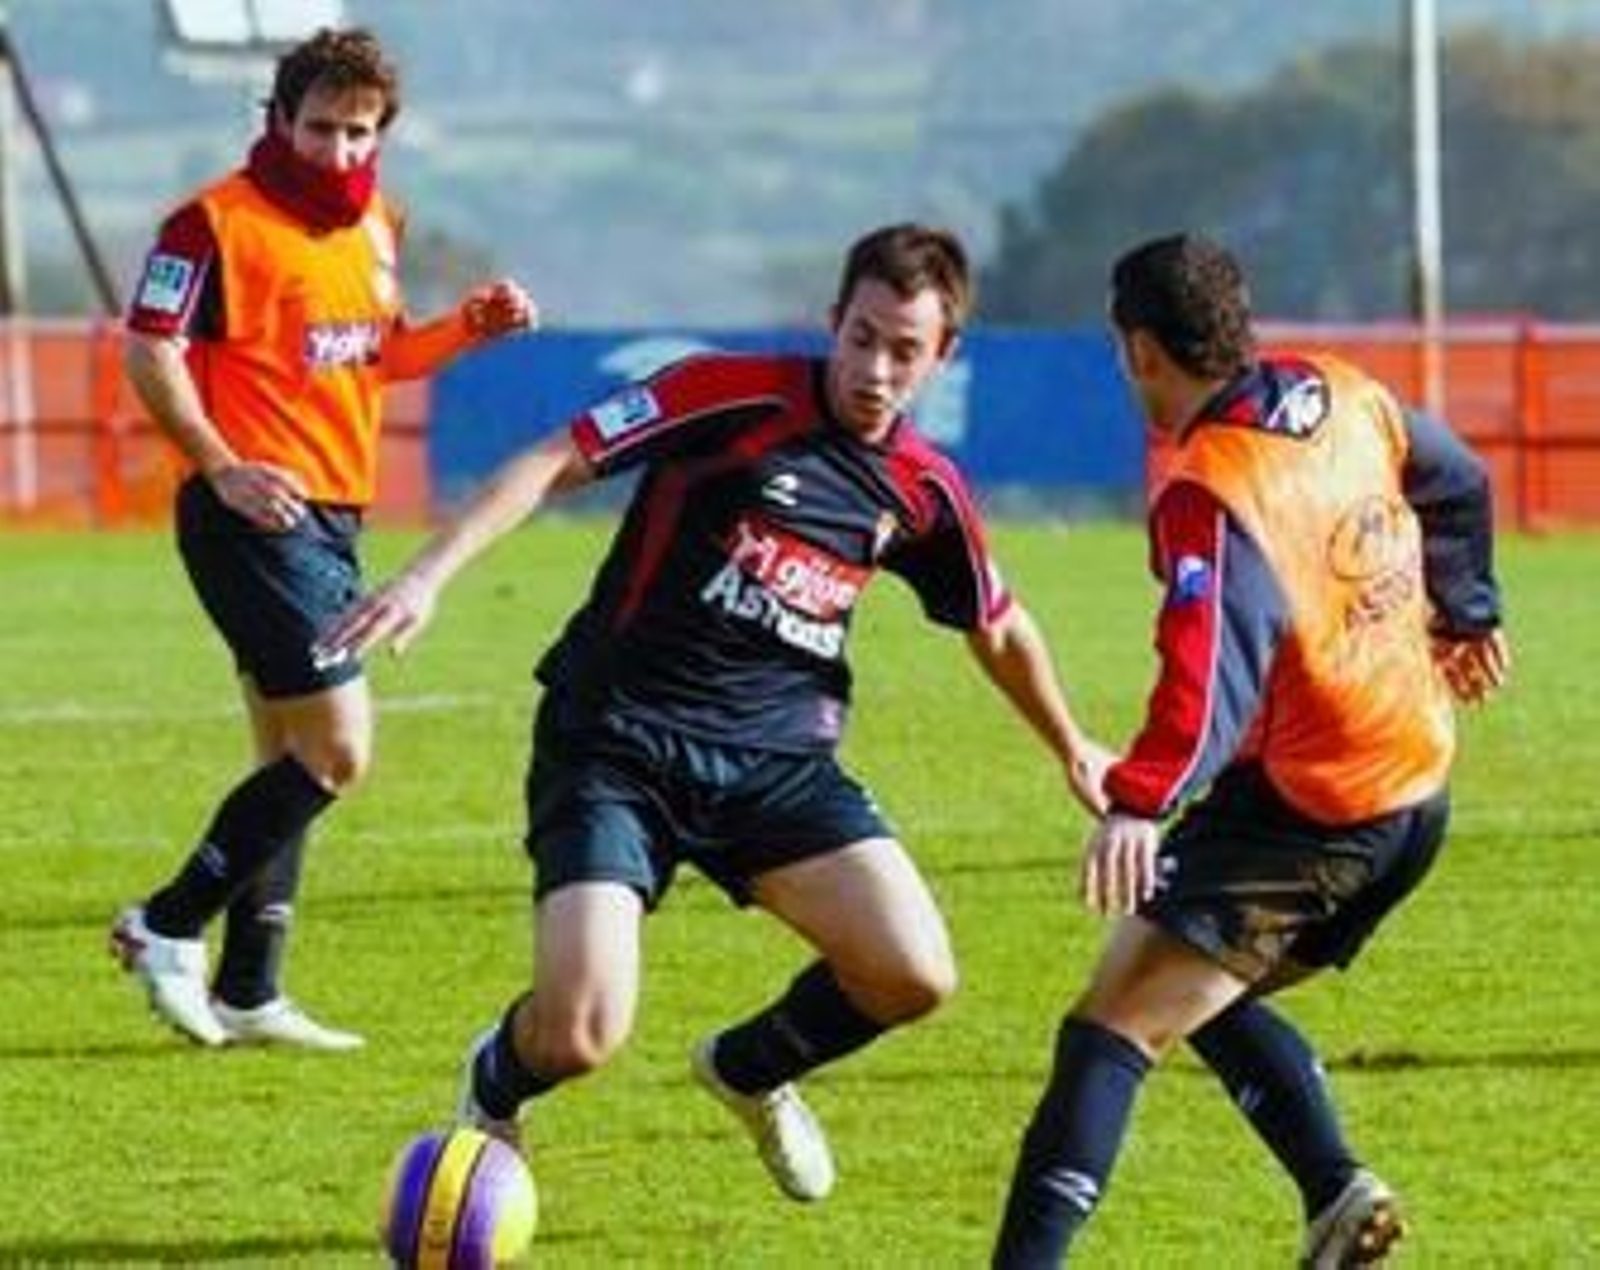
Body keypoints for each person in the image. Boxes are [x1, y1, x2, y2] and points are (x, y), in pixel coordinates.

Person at [317, 223, 1110, 1203]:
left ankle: (751, 1066)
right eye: (860, 337)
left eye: (904, 349)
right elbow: (553, 458)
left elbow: (997, 622)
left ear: (942, 356)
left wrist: (1072, 746)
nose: (873, 367)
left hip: (777, 770)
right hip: (617, 742)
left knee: (914, 973)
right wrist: (429, 573)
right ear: (832, 322)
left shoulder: (922, 489)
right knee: (579, 1034)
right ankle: (496, 1079)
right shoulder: (726, 394)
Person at [991, 233, 1510, 1268]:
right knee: (1196, 981)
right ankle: (1333, 1191)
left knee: (1108, 1032)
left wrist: (1139, 800)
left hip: (1308, 813)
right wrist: (1468, 607)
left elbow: (1206, 670)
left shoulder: (1211, 487)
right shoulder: (1340, 391)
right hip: (1416, 793)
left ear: (1138, 348)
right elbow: (1458, 477)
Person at [110, 27, 536, 1051]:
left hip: (332, 517)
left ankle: (250, 990)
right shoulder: (208, 223)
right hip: (250, 515)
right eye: (319, 129)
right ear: (277, 120)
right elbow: (147, 349)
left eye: (358, 133)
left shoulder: (377, 224)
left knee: (284, 756)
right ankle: (166, 924)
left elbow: (377, 360)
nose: (338, 153)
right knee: (339, 748)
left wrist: (466, 327)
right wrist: (221, 464)